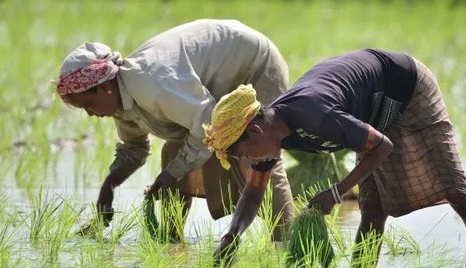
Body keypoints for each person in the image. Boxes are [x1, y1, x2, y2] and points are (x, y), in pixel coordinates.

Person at [205, 49, 466, 268]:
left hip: (407, 89)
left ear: (255, 131)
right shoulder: (270, 138)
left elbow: (383, 146)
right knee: (373, 205)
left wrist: (336, 193)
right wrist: (232, 234)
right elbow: (254, 192)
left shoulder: (314, 115)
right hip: (370, 112)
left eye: (243, 154)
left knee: (456, 189)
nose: (248, 161)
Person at [55, 19, 294, 241]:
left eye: (88, 104)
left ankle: (288, 245)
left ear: (105, 86)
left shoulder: (153, 85)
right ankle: (171, 240)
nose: (89, 113)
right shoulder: (121, 102)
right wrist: (110, 185)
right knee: (174, 154)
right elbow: (134, 148)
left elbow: (208, 126)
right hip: (215, 84)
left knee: (259, 159)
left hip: (253, 65)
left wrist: (171, 174)